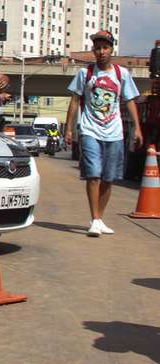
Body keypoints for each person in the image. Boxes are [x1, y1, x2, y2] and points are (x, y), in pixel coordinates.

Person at [64, 30, 143, 237]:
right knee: (93, 174)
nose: (101, 51)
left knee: (109, 178)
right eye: (97, 48)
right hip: (90, 129)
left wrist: (137, 128)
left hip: (114, 132)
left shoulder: (121, 74)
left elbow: (130, 101)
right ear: (93, 51)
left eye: (105, 47)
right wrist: (69, 128)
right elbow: (74, 101)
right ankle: (95, 219)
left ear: (111, 49)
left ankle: (99, 218)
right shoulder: (85, 73)